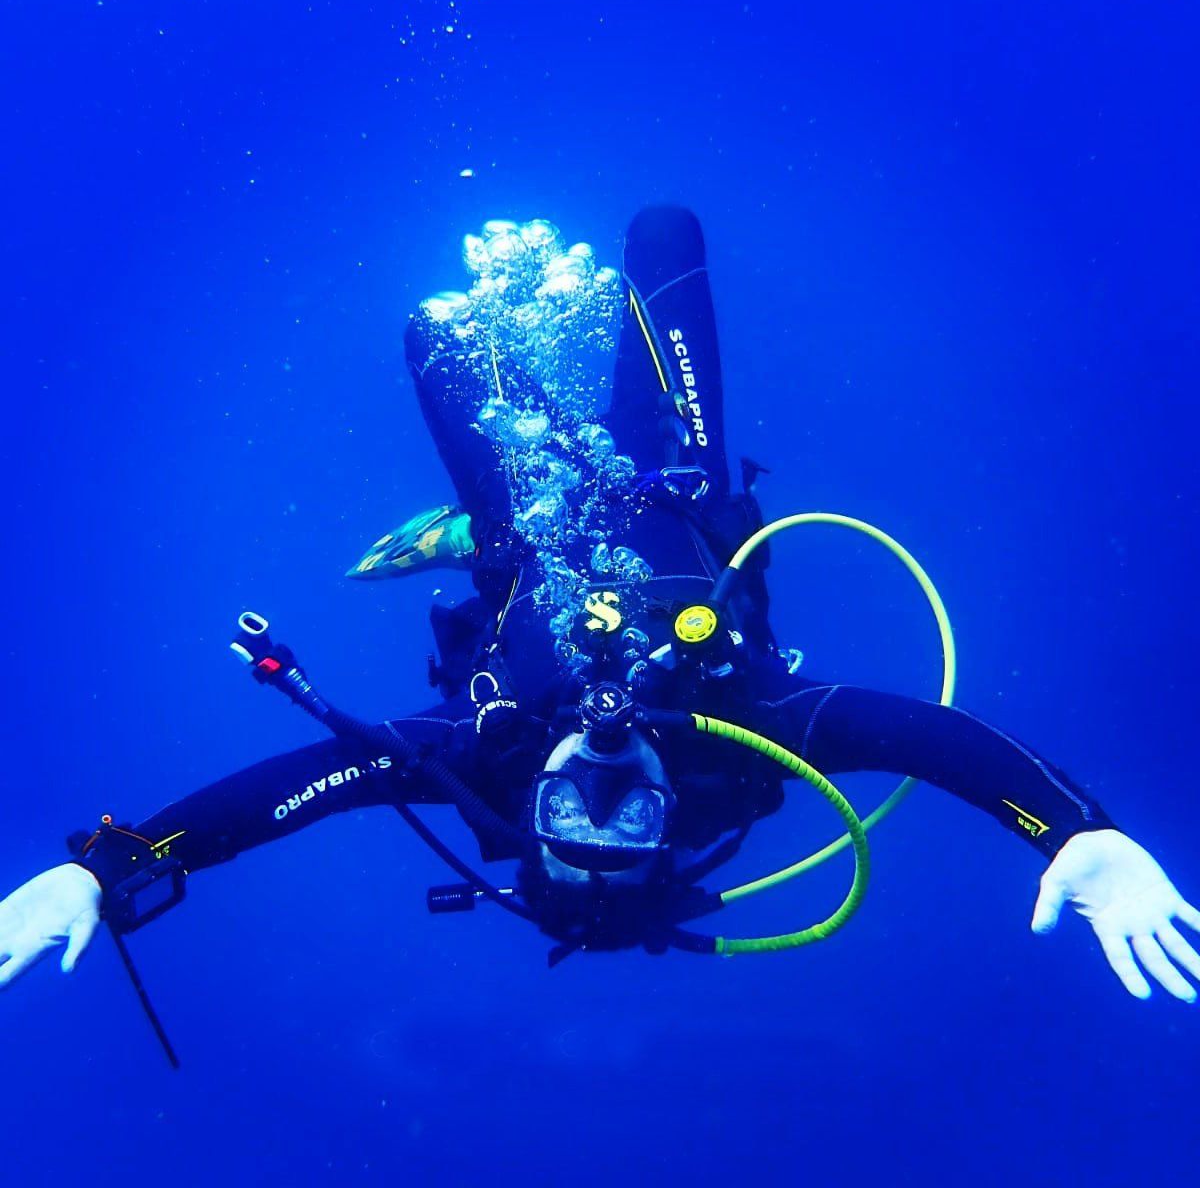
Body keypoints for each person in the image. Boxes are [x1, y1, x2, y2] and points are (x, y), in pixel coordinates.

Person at [2, 207, 1198, 1029]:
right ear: (677, 811)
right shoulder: (751, 726)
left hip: (535, 521)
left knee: (433, 331)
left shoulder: (482, 757)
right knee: (667, 232)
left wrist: (116, 868)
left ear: (533, 811)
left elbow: (288, 791)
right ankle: (526, 489)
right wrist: (1078, 838)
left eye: (575, 807)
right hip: (672, 480)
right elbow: (935, 746)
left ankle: (475, 523)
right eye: (634, 807)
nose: (602, 766)